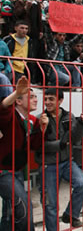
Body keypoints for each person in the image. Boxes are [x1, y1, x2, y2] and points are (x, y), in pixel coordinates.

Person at [37, 88, 83, 230]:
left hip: (66, 161)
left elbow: (75, 139)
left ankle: (71, 215)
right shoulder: (40, 119)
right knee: (50, 205)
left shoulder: (68, 116)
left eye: (51, 99)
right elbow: (38, 145)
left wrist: (80, 125)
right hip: (48, 165)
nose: (47, 102)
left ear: (60, 100)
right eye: (46, 99)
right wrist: (58, 145)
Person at [0, 76, 48, 231]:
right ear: (19, 101)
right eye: (31, 96)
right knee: (24, 208)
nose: (36, 100)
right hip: (4, 172)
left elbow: (35, 145)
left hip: (19, 171)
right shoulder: (10, 116)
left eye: (35, 96)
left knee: (10, 213)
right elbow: (2, 108)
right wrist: (16, 93)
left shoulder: (33, 119)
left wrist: (42, 130)